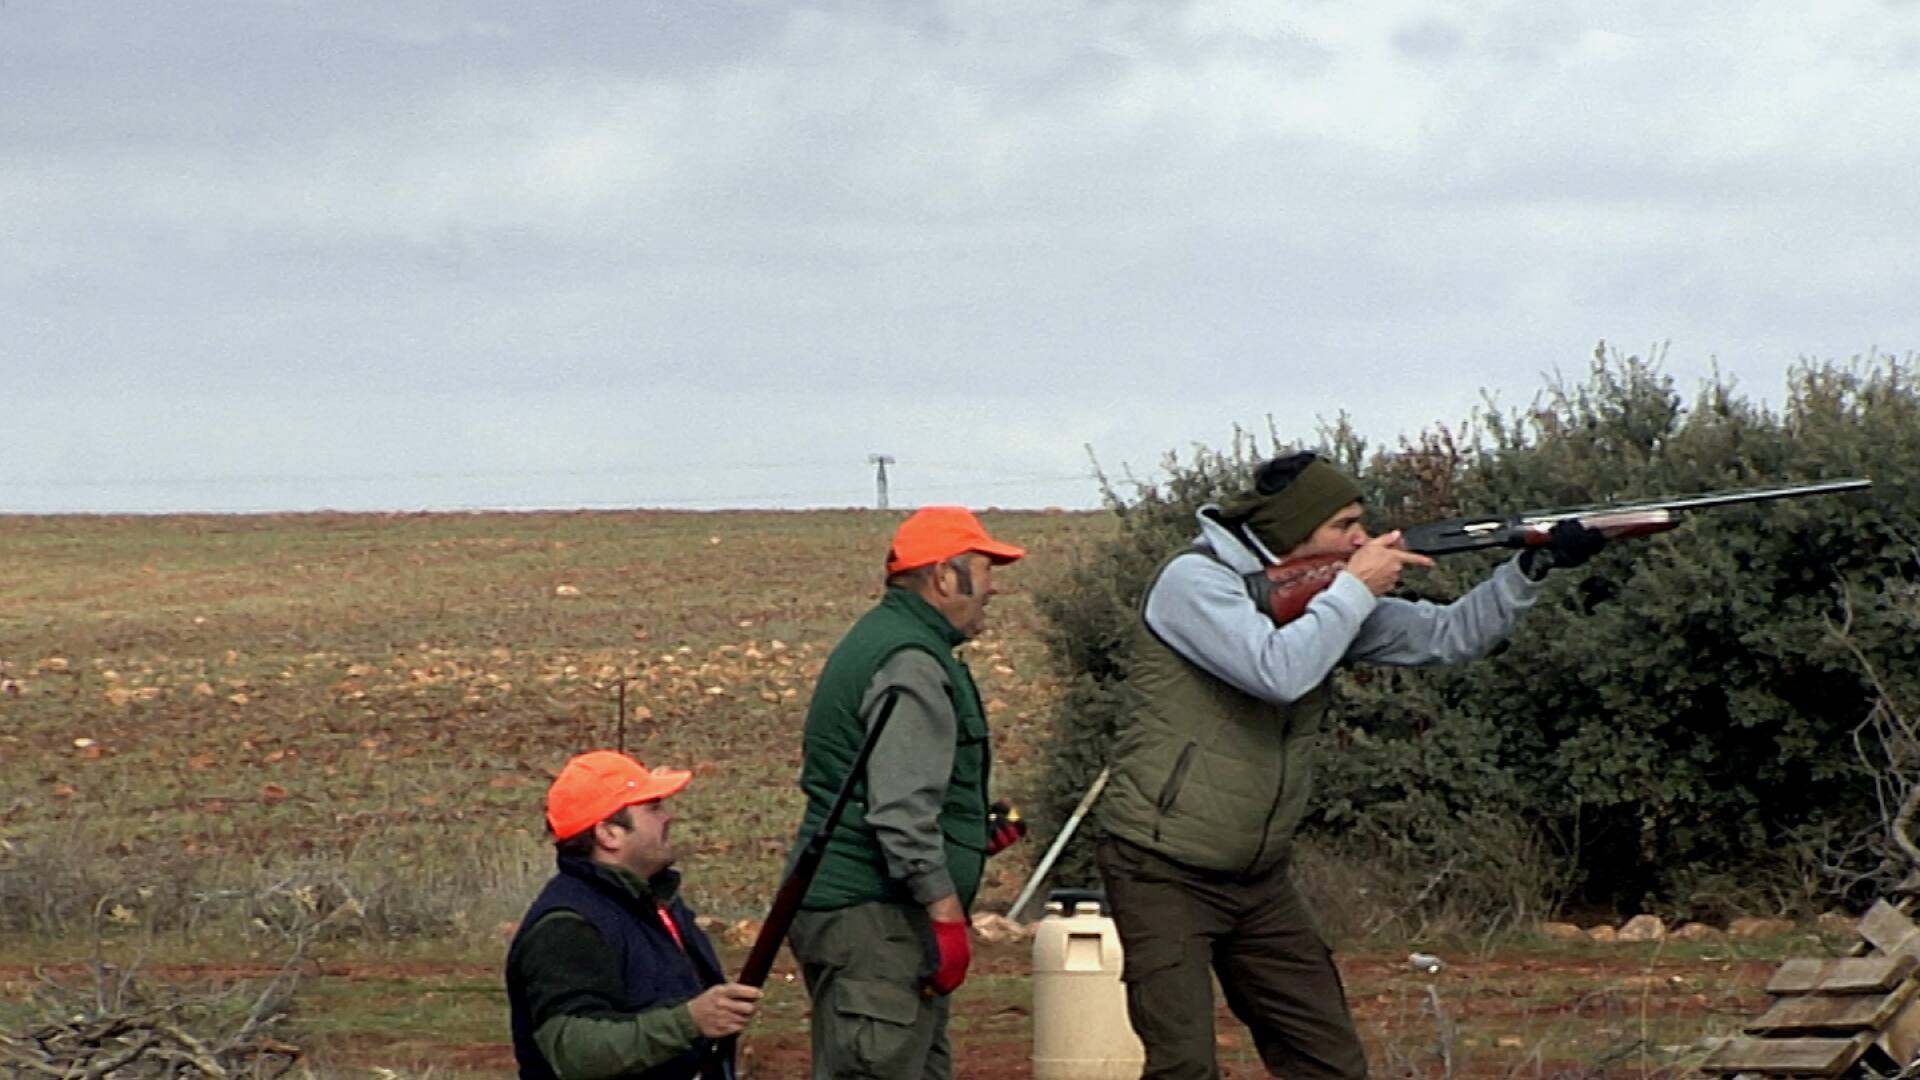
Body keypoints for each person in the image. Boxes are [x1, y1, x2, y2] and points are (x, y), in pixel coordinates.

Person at [1096, 451, 1606, 1080]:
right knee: (1184, 1066)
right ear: (1294, 527)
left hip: (1258, 876)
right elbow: (1276, 671)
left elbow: (1449, 634)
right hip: (1161, 865)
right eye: (1344, 525)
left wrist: (1530, 566)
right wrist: (1354, 590)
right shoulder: (1194, 583)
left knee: (1329, 1061)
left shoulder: (1324, 597)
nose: (1360, 538)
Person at [785, 506, 1030, 1080]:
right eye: (983, 568)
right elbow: (898, 810)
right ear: (945, 576)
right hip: (876, 924)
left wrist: (970, 834)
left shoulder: (888, 642)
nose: (992, 586)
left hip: (868, 920)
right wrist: (947, 916)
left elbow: (889, 786)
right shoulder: (911, 662)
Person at [506, 749, 763, 1080]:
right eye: (653, 808)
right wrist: (690, 1021)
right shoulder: (568, 926)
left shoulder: (652, 902)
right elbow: (575, 1051)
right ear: (608, 834)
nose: (668, 817)